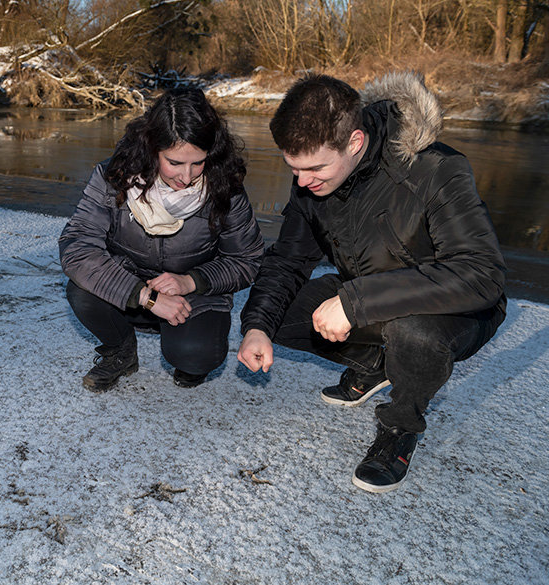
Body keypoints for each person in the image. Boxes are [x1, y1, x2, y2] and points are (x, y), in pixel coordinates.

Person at [236, 72, 506, 493]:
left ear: (355, 142)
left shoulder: (436, 169)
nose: (303, 182)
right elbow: (287, 262)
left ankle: (401, 427)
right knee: (279, 312)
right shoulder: (313, 183)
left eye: (315, 169)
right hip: (371, 293)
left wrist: (356, 301)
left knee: (412, 332)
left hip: (455, 308)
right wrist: (256, 327)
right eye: (293, 169)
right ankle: (377, 363)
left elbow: (481, 274)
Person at [59, 87, 263, 392]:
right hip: (130, 290)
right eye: (175, 162)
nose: (187, 176)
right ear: (152, 148)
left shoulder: (225, 187)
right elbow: (77, 247)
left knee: (196, 356)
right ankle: (121, 350)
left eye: (198, 162)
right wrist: (145, 296)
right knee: (81, 291)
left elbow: (247, 259)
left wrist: (190, 281)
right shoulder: (113, 176)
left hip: (193, 295)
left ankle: (190, 353)